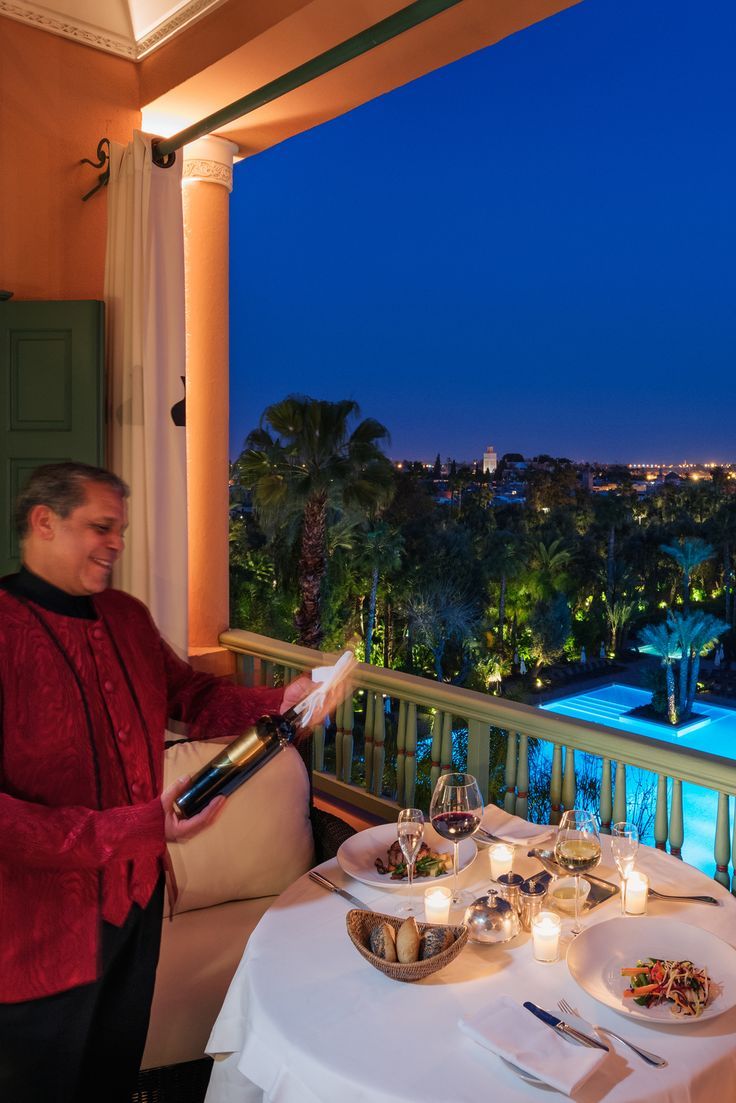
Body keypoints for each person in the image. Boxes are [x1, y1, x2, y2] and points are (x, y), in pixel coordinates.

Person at [0, 462, 318, 1103]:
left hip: (139, 902)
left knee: (112, 1076)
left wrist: (282, 698)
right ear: (44, 523)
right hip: (39, 928)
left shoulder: (125, 615)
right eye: (101, 527)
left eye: (119, 527)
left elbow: (194, 696)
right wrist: (140, 825)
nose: (117, 542)